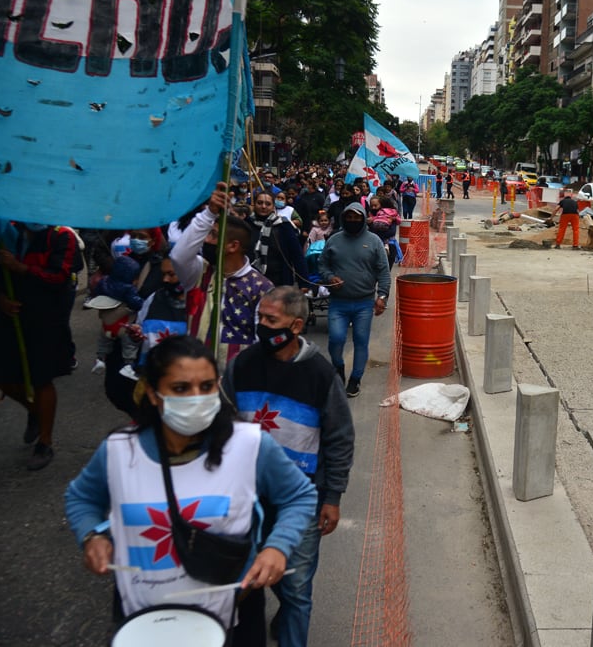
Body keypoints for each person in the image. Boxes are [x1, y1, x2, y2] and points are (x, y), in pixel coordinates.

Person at [64, 335, 317, 643]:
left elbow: (299, 495)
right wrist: (91, 535)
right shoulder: (118, 451)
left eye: (207, 387)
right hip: (144, 616)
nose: (197, 398)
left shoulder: (251, 445)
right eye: (181, 388)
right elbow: (82, 497)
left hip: (232, 613)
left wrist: (278, 547)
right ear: (154, 394)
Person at [223, 287, 354, 647]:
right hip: (245, 499)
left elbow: (339, 438)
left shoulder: (321, 374)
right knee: (245, 580)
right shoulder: (241, 365)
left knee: (296, 590)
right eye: (259, 318)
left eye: (271, 320)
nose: (261, 326)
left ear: (296, 326)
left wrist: (332, 496)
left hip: (301, 501)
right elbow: (222, 421)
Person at [0, 219, 79, 470]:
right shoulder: (7, 232)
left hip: (44, 320)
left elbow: (60, 276)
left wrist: (21, 268)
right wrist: (1, 298)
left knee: (42, 380)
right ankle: (37, 412)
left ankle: (45, 442)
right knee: (2, 377)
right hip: (10, 320)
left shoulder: (61, 236)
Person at [170, 191, 274, 372]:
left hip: (235, 381)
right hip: (194, 375)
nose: (206, 240)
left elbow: (262, 341)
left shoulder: (262, 287)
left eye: (213, 235)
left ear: (233, 246)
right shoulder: (199, 272)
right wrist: (209, 213)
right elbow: (179, 256)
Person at [316, 203, 391, 398]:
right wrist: (330, 277)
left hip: (364, 303)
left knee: (360, 341)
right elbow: (322, 265)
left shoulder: (374, 241)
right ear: (343, 218)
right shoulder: (334, 240)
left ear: (363, 218)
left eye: (356, 217)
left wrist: (382, 296)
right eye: (348, 217)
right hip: (338, 302)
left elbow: (383, 271)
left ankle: (355, 379)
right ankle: (338, 368)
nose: (352, 221)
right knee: (336, 339)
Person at [89, 255, 145, 380]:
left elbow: (96, 293)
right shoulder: (128, 289)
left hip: (106, 323)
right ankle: (128, 365)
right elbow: (137, 304)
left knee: (103, 342)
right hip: (123, 325)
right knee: (129, 345)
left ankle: (100, 360)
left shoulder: (104, 282)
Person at [248, 192, 310, 290]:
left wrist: (304, 283)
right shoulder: (247, 224)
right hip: (251, 282)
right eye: (260, 203)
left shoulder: (283, 226)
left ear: (273, 206)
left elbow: (297, 255)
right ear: (254, 204)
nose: (263, 206)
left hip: (279, 281)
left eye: (268, 204)